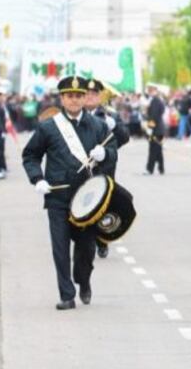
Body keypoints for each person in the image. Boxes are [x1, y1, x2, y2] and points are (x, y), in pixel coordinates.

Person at [21, 76, 118, 309]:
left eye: (78, 95)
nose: (74, 100)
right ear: (62, 98)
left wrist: (105, 155)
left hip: (87, 200)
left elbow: (112, 150)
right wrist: (38, 179)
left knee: (86, 249)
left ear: (85, 97)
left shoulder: (98, 126)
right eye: (69, 96)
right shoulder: (48, 127)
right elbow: (30, 155)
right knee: (60, 249)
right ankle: (67, 295)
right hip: (58, 198)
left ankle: (83, 281)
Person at [83, 79, 130, 259]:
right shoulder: (75, 115)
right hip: (84, 166)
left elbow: (124, 138)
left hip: (105, 166)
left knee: (103, 204)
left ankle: (102, 241)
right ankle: (85, 240)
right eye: (86, 94)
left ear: (100, 96)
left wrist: (115, 126)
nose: (90, 97)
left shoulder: (109, 115)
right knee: (84, 203)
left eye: (94, 94)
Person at [144, 83, 166, 175]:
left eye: (151, 90)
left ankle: (150, 169)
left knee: (153, 149)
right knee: (158, 150)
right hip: (158, 128)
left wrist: (150, 127)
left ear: (155, 91)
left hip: (156, 129)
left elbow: (154, 115)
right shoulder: (156, 100)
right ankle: (161, 168)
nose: (149, 92)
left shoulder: (155, 101)